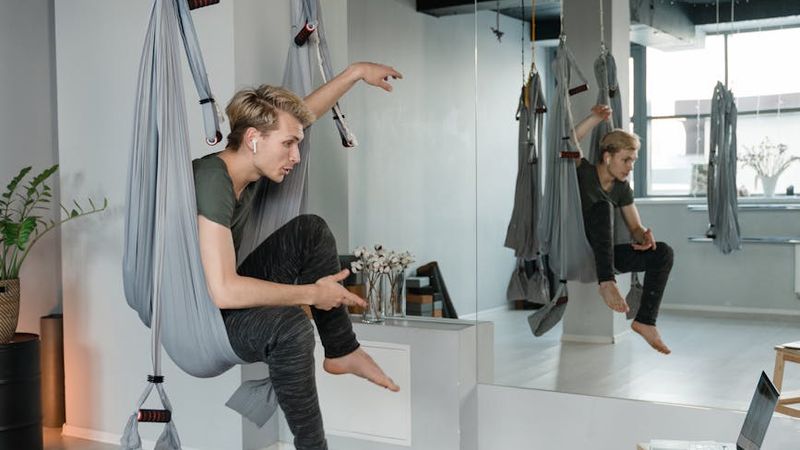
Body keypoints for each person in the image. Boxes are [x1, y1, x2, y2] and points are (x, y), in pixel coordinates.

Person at [193, 62, 402, 450]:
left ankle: (342, 349)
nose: (296, 155)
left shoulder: (249, 170)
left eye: (297, 144)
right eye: (288, 145)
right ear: (253, 138)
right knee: (293, 327)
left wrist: (355, 72)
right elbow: (222, 291)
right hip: (201, 316)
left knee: (311, 230)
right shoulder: (212, 180)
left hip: (223, 296)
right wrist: (311, 294)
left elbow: (304, 115)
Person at [572, 105, 674, 355]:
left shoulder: (622, 188)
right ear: (608, 157)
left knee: (664, 252)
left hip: (607, 255)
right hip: (579, 246)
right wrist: (595, 117)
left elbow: (635, 226)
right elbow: (567, 141)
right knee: (603, 208)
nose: (630, 167)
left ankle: (645, 321)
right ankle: (607, 283)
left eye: (633, 161)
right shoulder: (583, 171)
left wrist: (644, 237)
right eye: (625, 160)